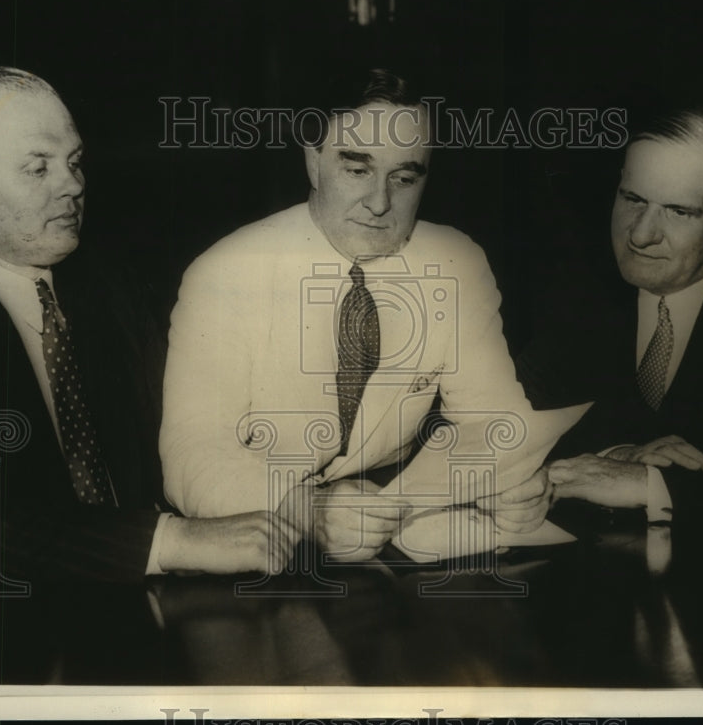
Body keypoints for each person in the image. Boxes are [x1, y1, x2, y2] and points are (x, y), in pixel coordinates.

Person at [0, 67, 299, 680]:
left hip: (158, 626)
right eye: (38, 167)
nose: (72, 185)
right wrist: (172, 542)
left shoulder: (109, 283)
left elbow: (193, 420)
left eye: (75, 161)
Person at [160, 69, 583, 560]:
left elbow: (490, 420)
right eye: (357, 170)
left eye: (403, 178)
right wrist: (306, 508)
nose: (381, 203)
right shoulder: (225, 272)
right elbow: (192, 456)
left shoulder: (455, 261)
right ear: (313, 161)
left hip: (395, 540)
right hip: (261, 542)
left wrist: (512, 484)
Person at [487, 107, 703, 550]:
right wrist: (614, 455)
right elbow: (494, 427)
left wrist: (651, 484)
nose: (639, 235)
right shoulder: (575, 298)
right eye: (633, 199)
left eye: (678, 211)